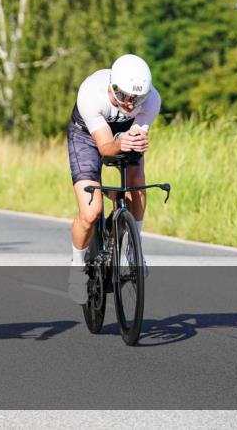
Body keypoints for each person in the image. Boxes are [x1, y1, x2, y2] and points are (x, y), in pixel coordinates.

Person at [66, 54, 161, 304]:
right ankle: (76, 268)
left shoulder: (152, 99)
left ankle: (133, 246)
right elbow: (106, 147)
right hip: (87, 136)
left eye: (136, 98)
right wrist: (121, 141)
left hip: (123, 133)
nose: (130, 104)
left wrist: (137, 139)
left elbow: (137, 135)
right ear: (112, 86)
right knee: (91, 211)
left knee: (137, 181)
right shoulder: (91, 93)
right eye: (124, 96)